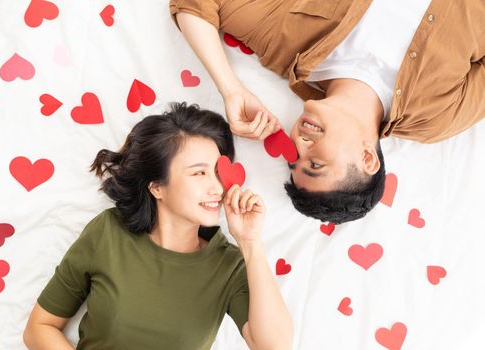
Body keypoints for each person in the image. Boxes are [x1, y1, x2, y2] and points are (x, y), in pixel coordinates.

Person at [169, 0, 485, 223]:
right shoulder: (435, 117)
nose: (301, 144)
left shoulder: (286, 41)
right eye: (316, 163)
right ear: (367, 159)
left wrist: (231, 88)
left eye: (296, 157)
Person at [23, 103, 293, 350]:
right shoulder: (108, 232)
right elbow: (39, 327)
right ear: (157, 186)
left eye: (218, 172)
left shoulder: (229, 264)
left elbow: (274, 346)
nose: (217, 187)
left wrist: (250, 243)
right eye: (199, 172)